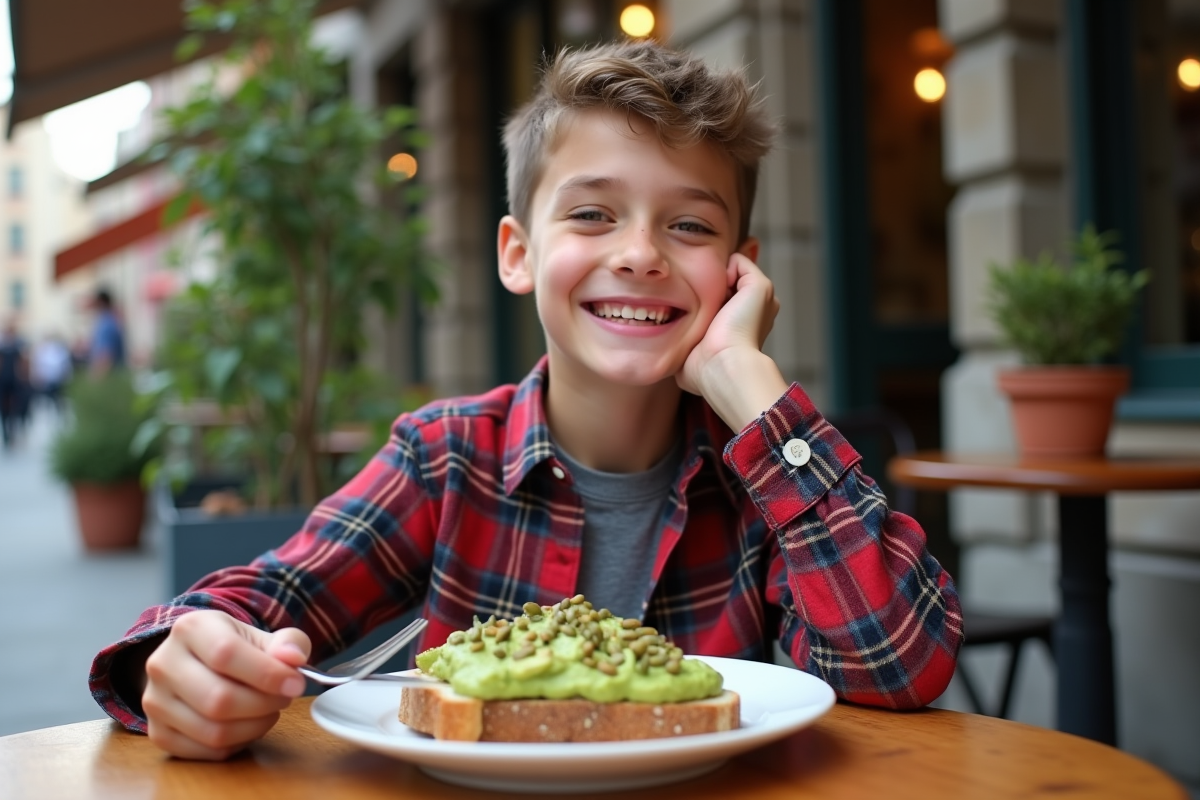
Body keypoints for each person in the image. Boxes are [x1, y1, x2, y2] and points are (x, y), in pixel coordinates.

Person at [88, 40, 964, 760]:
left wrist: (760, 399)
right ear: (517, 253)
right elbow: (257, 604)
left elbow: (897, 663)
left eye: (690, 225)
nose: (640, 253)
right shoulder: (444, 458)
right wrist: (186, 663)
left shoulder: (759, 479)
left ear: (742, 274)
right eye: (592, 215)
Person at [0, 321, 28, 449]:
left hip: (14, 381)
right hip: (4, 380)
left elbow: (22, 363)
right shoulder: (3, 346)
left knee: (14, 408)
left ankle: (11, 433)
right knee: (5, 409)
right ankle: (7, 434)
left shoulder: (18, 345)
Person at [31, 334, 73, 415]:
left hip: (57, 379)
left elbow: (65, 364)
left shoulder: (60, 350)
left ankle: (58, 412)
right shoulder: (41, 349)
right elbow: (38, 364)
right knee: (46, 399)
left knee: (58, 398)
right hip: (46, 379)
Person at [88, 288, 126, 376]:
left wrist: (97, 378)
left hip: (109, 376)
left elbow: (106, 356)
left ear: (101, 302)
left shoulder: (106, 324)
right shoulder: (111, 321)